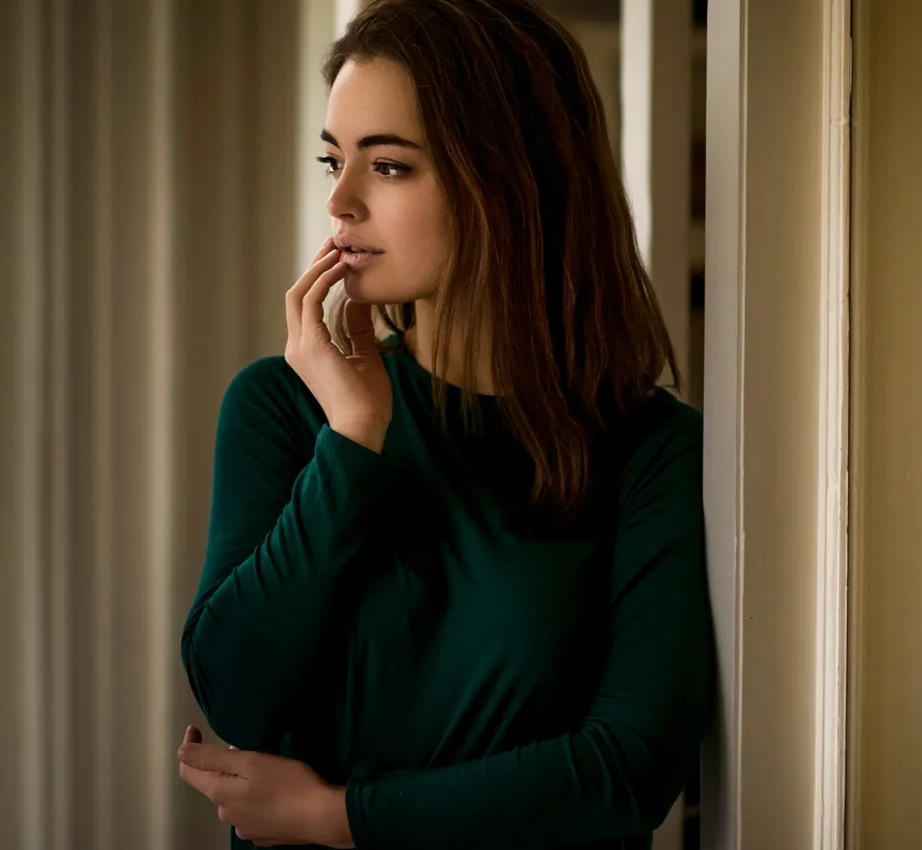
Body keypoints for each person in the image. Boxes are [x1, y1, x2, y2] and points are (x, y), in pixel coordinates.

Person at [175, 1, 714, 847]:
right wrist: (351, 440)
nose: (340, 201)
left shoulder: (652, 452)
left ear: (510, 178)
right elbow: (237, 694)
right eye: (333, 160)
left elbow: (622, 774)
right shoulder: (280, 408)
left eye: (387, 167)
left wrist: (335, 816)